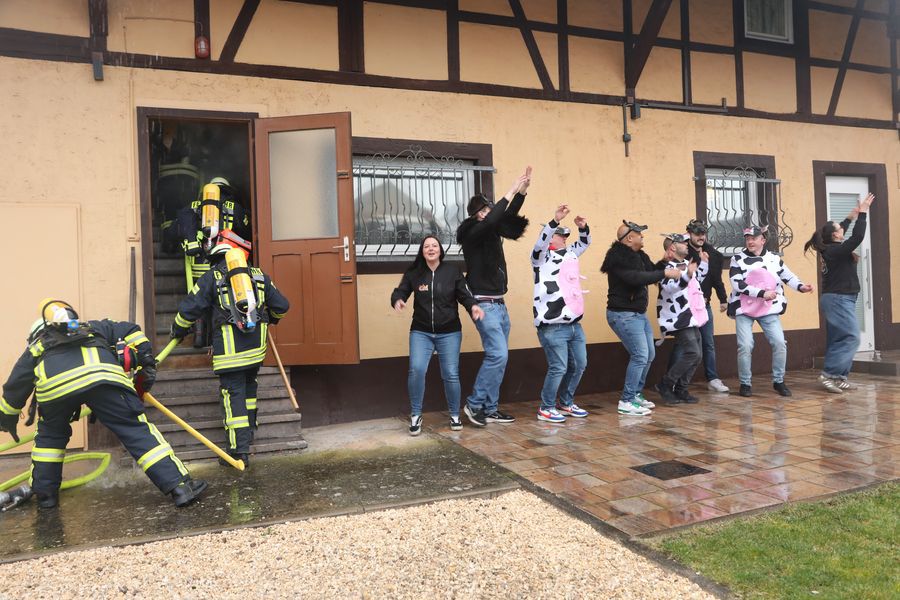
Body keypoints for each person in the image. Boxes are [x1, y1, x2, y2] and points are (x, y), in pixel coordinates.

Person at [0, 300, 207, 508]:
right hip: (103, 381)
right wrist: (146, 358)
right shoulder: (93, 328)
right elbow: (131, 330)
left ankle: (46, 498)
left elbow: (16, 385)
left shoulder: (37, 346)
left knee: (49, 440)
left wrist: (7, 417)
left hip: (55, 391)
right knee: (135, 431)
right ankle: (180, 488)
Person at [171, 232, 289, 466]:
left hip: (230, 353)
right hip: (256, 350)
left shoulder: (211, 277)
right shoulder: (259, 275)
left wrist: (177, 330)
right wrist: (270, 319)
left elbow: (188, 310)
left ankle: (237, 451)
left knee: (233, 397)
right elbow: (282, 306)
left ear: (216, 257)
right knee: (248, 391)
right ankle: (249, 434)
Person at [456, 168, 531, 427]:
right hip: (483, 303)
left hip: (499, 304)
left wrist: (521, 193)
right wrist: (509, 190)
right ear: (475, 215)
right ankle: (475, 404)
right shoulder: (472, 234)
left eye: (488, 209)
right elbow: (491, 221)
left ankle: (490, 408)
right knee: (498, 355)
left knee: (500, 357)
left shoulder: (492, 232)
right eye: (483, 211)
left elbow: (506, 217)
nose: (487, 213)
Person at [391, 236, 485, 435]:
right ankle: (416, 414)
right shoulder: (414, 272)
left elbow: (465, 295)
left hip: (449, 332)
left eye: (434, 246)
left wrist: (473, 306)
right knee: (416, 369)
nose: (431, 249)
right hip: (421, 331)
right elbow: (400, 291)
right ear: (422, 251)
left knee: (450, 373)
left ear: (440, 250)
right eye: (427, 246)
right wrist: (398, 299)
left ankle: (454, 414)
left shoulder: (452, 272)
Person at [601, 220, 682, 416]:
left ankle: (635, 394)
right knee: (640, 355)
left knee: (649, 354)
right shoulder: (617, 258)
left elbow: (650, 273)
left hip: (638, 314)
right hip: (623, 315)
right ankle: (626, 401)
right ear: (630, 238)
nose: (642, 236)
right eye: (639, 234)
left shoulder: (639, 255)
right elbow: (635, 278)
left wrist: (663, 261)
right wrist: (665, 272)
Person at [727, 226, 814, 397]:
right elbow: (738, 284)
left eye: (754, 238)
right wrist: (762, 293)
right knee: (745, 345)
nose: (750, 241)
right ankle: (745, 384)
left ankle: (779, 381)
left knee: (780, 343)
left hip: (768, 308)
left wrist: (801, 286)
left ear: (763, 240)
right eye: (747, 239)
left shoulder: (774, 259)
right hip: (744, 308)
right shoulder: (737, 259)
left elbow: (788, 276)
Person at [803, 193, 874, 393]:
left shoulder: (831, 248)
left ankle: (840, 377)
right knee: (852, 337)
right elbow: (857, 237)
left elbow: (840, 227)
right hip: (838, 299)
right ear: (835, 235)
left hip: (840, 298)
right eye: (840, 228)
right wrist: (862, 214)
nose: (842, 228)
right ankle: (828, 375)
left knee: (839, 339)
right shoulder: (835, 251)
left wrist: (850, 218)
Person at [530, 205, 591, 423]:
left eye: (566, 235)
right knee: (559, 367)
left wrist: (583, 228)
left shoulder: (570, 254)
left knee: (579, 365)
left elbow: (584, 243)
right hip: (552, 325)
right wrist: (554, 220)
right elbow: (539, 244)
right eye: (560, 234)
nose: (565, 238)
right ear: (549, 238)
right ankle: (546, 408)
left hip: (574, 324)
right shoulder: (540, 258)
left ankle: (565, 403)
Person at [667, 220, 730, 393]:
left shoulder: (713, 254)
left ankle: (713, 378)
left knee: (708, 343)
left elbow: (716, 279)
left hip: (704, 306)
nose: (701, 237)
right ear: (689, 233)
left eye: (703, 233)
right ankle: (671, 380)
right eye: (697, 234)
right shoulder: (682, 251)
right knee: (682, 345)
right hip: (685, 307)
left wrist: (723, 299)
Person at [654, 234, 709, 406]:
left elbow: (697, 281)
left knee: (697, 356)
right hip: (678, 317)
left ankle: (681, 389)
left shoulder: (686, 264)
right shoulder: (665, 267)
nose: (686, 244)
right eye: (683, 242)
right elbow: (671, 288)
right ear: (672, 247)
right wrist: (687, 275)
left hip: (692, 316)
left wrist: (703, 264)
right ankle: (665, 384)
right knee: (692, 352)